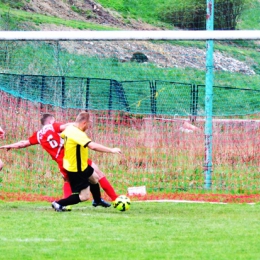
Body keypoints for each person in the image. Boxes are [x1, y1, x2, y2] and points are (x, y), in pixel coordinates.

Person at [0, 113, 118, 207]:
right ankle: (114, 199)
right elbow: (66, 126)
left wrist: (10, 145)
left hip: (62, 162)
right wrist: (79, 123)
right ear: (51, 121)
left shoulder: (38, 135)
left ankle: (88, 201)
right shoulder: (53, 126)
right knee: (97, 176)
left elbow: (23, 143)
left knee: (70, 181)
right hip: (73, 157)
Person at [51, 111, 121, 212]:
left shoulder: (69, 128)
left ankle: (97, 200)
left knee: (95, 178)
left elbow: (62, 136)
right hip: (76, 169)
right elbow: (93, 146)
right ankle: (58, 203)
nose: (88, 127)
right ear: (84, 123)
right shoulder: (77, 134)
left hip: (81, 164)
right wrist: (111, 150)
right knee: (84, 196)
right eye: (88, 124)